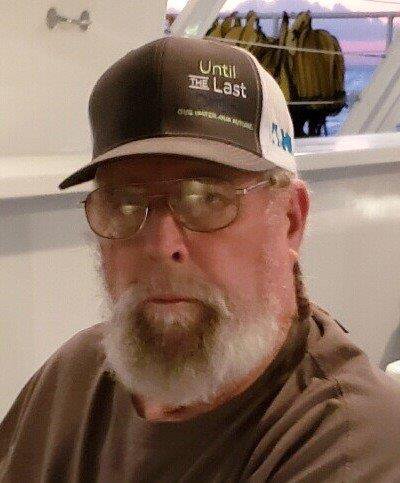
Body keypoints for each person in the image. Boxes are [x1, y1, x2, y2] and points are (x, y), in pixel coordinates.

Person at [1, 36, 400, 483]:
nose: (160, 245)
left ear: (290, 219)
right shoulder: (74, 376)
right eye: (125, 203)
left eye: (207, 198)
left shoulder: (348, 446)